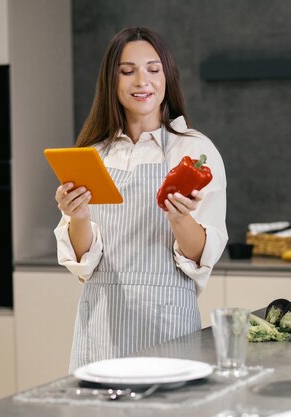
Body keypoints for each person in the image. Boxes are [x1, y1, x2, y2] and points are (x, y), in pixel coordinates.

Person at [53, 27, 228, 372]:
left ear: (167, 76)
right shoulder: (92, 155)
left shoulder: (193, 150)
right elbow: (82, 264)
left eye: (153, 69)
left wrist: (180, 219)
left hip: (168, 327)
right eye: (127, 71)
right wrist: (78, 217)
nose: (141, 81)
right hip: (102, 328)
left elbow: (200, 257)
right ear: (112, 81)